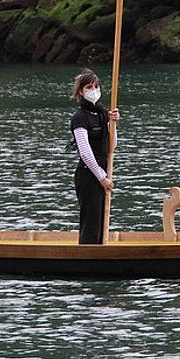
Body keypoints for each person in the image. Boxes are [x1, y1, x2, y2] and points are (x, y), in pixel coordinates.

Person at [69, 69, 121, 245]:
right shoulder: (79, 117)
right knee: (91, 223)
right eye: (89, 87)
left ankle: (100, 250)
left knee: (101, 221)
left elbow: (111, 146)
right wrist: (102, 177)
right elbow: (85, 152)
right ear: (81, 92)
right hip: (88, 175)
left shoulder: (101, 114)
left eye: (96, 86)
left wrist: (111, 123)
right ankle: (87, 257)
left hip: (102, 173)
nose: (94, 90)